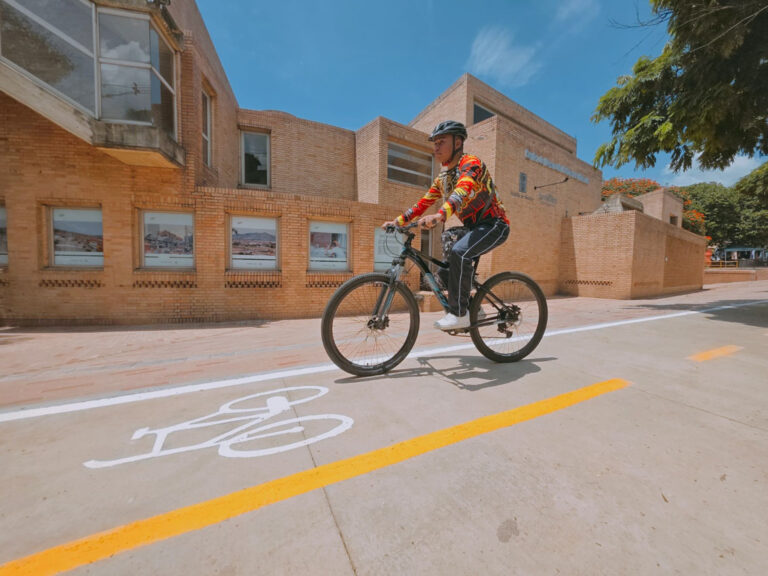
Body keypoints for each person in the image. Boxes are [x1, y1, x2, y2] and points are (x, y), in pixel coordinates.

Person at [382, 120, 509, 330]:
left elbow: (463, 190)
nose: (436, 147)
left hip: (495, 224)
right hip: (474, 228)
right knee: (443, 269)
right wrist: (397, 221)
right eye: (435, 143)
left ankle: (459, 314)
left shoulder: (471, 163)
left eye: (441, 142)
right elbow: (424, 202)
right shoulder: (443, 178)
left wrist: (441, 215)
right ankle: (470, 307)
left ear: (458, 142)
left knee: (460, 252)